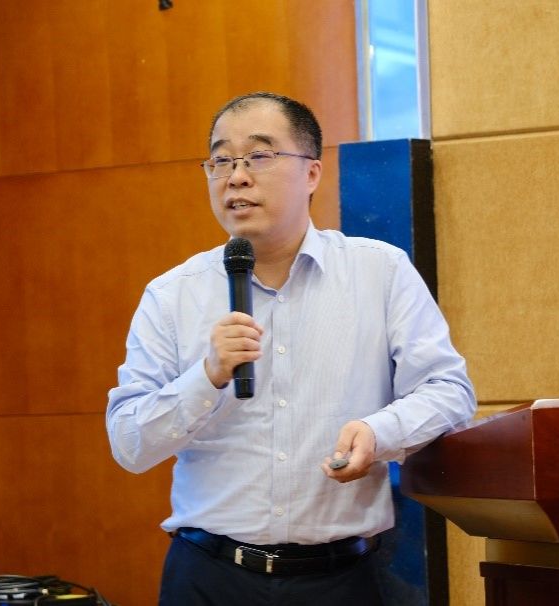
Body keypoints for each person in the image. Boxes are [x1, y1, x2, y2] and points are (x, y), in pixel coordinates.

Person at [106, 92, 476, 606]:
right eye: (221, 160)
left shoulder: (380, 272)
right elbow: (129, 443)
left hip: (344, 579)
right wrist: (206, 376)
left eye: (259, 156)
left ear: (312, 173)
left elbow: (450, 391)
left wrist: (379, 433)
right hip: (210, 578)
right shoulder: (171, 295)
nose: (236, 177)